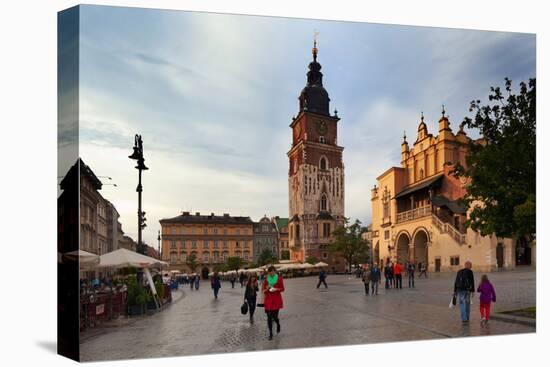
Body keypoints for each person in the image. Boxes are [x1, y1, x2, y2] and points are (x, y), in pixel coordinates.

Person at [263, 265, 285, 340]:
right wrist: (267, 289)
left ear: (275, 271)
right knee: (269, 317)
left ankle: (278, 324)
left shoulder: (279, 279)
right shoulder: (266, 279)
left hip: (276, 300)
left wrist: (276, 289)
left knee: (275, 317)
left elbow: (282, 289)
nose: (272, 273)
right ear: (268, 272)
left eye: (273, 271)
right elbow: (263, 290)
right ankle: (270, 334)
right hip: (268, 300)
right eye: (270, 271)